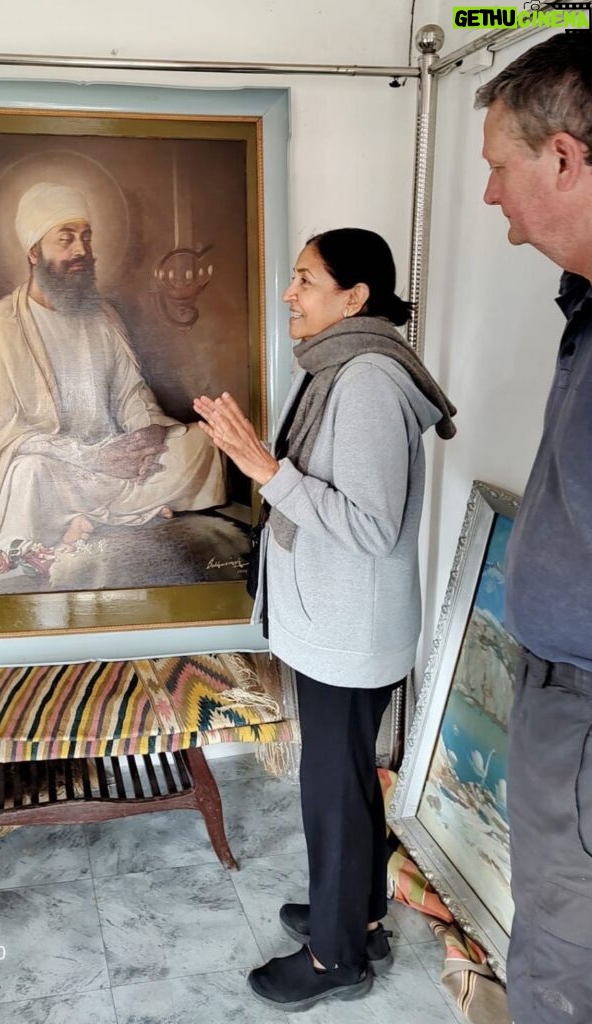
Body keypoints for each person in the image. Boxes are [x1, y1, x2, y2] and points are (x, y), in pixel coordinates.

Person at [194, 228, 456, 1012]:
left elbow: (371, 525)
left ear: (355, 298)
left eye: (304, 280)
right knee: (344, 784)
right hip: (338, 622)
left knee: (333, 793)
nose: (288, 294)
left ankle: (336, 958)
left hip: (350, 630)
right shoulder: (337, 367)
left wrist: (266, 472)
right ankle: (361, 917)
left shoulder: (368, 379)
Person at [0, 181, 225, 596]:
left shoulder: (102, 317)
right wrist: (94, 457)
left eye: (85, 237)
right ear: (33, 252)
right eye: (65, 240)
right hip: (54, 466)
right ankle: (109, 513)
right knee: (28, 476)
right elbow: (4, 434)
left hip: (114, 457)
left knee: (201, 443)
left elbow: (130, 392)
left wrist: (146, 433)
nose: (81, 250)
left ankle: (87, 519)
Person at [475, 33, 592, 1023]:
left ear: (563, 157)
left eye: (497, 168)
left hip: (588, 725)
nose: (489, 197)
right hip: (568, 710)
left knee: (563, 969)